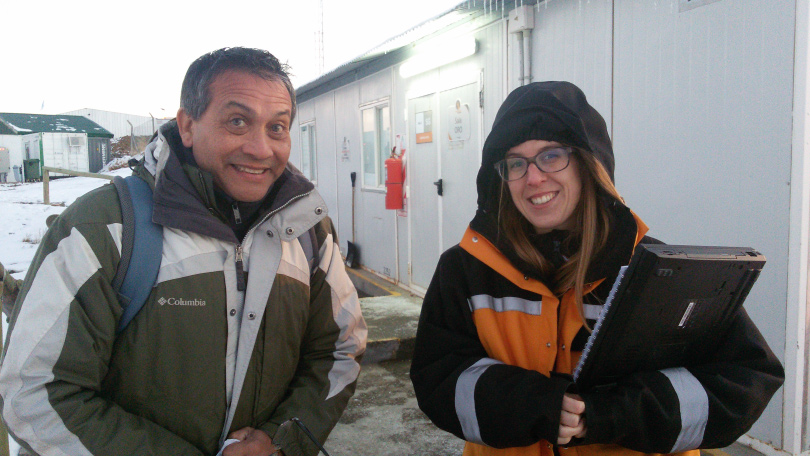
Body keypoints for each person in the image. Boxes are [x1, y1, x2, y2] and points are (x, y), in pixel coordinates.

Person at [0, 47, 367, 456]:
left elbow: (339, 349)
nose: (261, 149)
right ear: (188, 126)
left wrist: (280, 442)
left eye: (277, 127)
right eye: (238, 121)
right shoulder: (104, 229)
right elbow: (33, 392)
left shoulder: (307, 230)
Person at [409, 81, 784, 456]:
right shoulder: (465, 269)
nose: (533, 178)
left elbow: (746, 379)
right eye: (516, 163)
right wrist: (534, 406)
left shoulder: (660, 272)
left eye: (551, 155)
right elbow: (438, 376)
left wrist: (612, 414)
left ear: (589, 165)